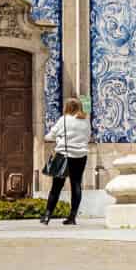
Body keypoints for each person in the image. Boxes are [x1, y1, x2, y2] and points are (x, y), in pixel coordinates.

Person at [41, 97, 93, 226]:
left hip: (64, 156)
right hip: (80, 156)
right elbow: (87, 137)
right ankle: (72, 217)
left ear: (67, 107)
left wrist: (56, 139)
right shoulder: (86, 121)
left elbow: (50, 135)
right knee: (76, 185)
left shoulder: (64, 120)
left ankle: (47, 216)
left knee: (56, 187)